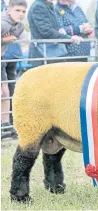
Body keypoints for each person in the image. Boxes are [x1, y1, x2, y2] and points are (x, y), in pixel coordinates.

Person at [27, 0, 82, 67]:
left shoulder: (48, 5)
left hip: (51, 54)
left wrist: (60, 30)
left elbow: (52, 28)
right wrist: (69, 38)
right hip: (44, 54)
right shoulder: (39, 6)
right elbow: (47, 31)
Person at [1, 0, 27, 139]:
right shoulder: (2, 22)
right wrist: (4, 40)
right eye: (17, 10)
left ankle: (5, 126)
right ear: (9, 9)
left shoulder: (19, 26)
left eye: (23, 11)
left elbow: (21, 38)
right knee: (3, 92)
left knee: (6, 92)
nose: (21, 14)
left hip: (2, 59)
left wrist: (9, 38)